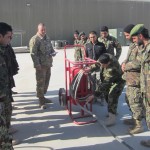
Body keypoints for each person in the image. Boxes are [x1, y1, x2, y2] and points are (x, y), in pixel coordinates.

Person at [85, 53, 125, 126]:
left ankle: (112, 118)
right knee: (106, 95)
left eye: (104, 65)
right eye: (101, 64)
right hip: (108, 80)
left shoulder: (112, 69)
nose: (102, 66)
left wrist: (94, 95)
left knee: (112, 96)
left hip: (118, 81)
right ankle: (113, 111)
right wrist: (90, 68)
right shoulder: (104, 57)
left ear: (109, 62)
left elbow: (105, 84)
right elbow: (98, 64)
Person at [122, 24, 144, 134]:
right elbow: (128, 58)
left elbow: (140, 62)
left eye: (127, 35)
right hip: (130, 78)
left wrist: (127, 66)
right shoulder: (132, 45)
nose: (126, 37)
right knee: (128, 99)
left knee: (135, 101)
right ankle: (134, 118)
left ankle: (139, 125)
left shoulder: (141, 45)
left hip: (137, 79)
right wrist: (124, 63)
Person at [130, 24, 150, 147]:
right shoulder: (144, 48)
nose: (134, 41)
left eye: (135, 38)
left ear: (141, 36)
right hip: (146, 88)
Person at [29, 23, 56, 109]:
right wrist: (37, 65)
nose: (44, 31)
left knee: (46, 82)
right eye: (42, 30)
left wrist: (53, 52)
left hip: (48, 64)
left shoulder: (47, 37)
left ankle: (43, 96)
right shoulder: (35, 39)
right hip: (41, 66)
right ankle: (41, 101)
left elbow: (50, 48)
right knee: (40, 83)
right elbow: (33, 54)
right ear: (38, 29)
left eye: (44, 29)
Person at [0, 22, 14, 149]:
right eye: (8, 37)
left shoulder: (4, 50)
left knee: (5, 130)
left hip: (5, 97)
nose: (10, 40)